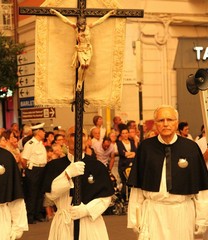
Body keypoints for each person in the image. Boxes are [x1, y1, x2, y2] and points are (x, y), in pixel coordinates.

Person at [127, 105, 208, 240]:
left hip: (182, 213)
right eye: (161, 120)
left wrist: (202, 218)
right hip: (153, 212)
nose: (165, 124)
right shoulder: (146, 148)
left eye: (170, 120)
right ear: (155, 124)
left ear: (176, 122)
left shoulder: (191, 148)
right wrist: (134, 219)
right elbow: (138, 188)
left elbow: (202, 189)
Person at [42, 126, 114, 240]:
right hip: (64, 222)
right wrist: (67, 174)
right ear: (65, 140)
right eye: (73, 135)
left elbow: (105, 198)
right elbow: (50, 195)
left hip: (89, 222)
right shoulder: (54, 166)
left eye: (82, 135)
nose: (78, 138)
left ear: (87, 140)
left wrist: (86, 210)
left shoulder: (97, 166)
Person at [50, 9, 115, 91]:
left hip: (88, 49)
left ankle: (82, 80)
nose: (81, 28)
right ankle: (79, 81)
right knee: (83, 65)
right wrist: (56, 13)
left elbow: (100, 21)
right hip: (80, 49)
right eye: (80, 26)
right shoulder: (76, 28)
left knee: (87, 65)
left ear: (85, 24)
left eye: (82, 26)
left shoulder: (89, 27)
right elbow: (65, 20)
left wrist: (109, 14)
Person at [21, 122, 47, 224]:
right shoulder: (30, 144)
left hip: (42, 169)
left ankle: (38, 214)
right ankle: (30, 216)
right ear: (38, 132)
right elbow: (24, 159)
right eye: (43, 131)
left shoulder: (40, 144)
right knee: (32, 193)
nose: (44, 133)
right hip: (33, 170)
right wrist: (28, 170)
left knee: (40, 193)